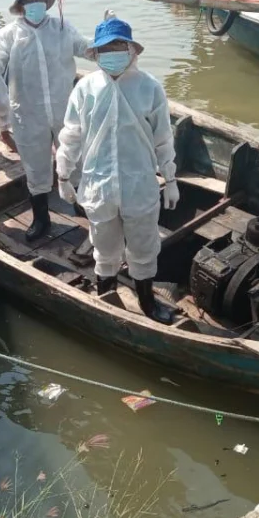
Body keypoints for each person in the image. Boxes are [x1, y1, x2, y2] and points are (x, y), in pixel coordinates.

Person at [56, 18, 179, 324]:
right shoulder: (86, 88)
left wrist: (171, 178)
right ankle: (105, 293)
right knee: (103, 244)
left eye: (118, 46)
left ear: (131, 49)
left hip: (139, 184)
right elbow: (71, 134)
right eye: (105, 48)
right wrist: (62, 173)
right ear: (96, 54)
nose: (112, 53)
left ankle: (148, 302)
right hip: (98, 183)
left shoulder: (149, 87)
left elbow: (163, 138)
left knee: (143, 245)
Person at [0, 0, 93, 242]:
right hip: (27, 112)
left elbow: (85, 48)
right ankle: (41, 218)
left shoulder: (61, 26)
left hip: (65, 107)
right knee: (36, 166)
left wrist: (107, 42)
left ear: (45, 1)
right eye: (28, 1)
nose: (34, 5)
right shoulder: (7, 35)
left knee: (75, 157)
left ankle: (82, 205)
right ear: (20, 7)